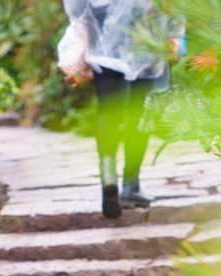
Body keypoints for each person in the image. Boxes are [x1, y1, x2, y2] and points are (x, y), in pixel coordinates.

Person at [62, 0, 183, 219]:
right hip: (146, 29)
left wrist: (83, 32)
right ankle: (131, 185)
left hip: (103, 31)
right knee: (139, 110)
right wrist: (174, 33)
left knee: (108, 108)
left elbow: (77, 6)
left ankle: (108, 177)